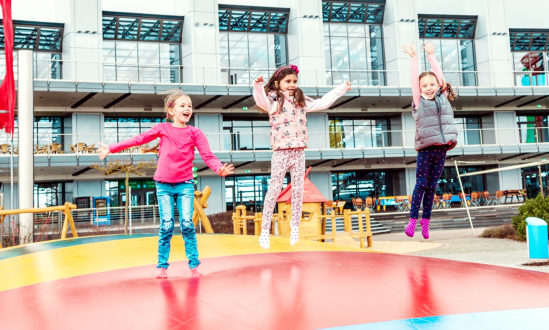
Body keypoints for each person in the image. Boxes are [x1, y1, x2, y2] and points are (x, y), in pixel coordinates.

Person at [97, 90, 234, 278]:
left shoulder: (195, 133)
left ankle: (194, 265)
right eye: (183, 106)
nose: (187, 109)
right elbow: (139, 140)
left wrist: (219, 169)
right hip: (163, 185)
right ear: (171, 111)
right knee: (167, 226)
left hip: (185, 184)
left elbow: (207, 155)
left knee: (187, 224)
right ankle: (162, 266)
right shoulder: (163, 128)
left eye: (190, 106)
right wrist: (111, 148)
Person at [253, 64, 352, 249]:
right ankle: (265, 230)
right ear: (278, 83)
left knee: (298, 190)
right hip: (281, 151)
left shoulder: (301, 100)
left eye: (294, 81)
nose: (292, 84)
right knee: (274, 189)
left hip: (299, 150)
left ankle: (294, 226)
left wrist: (341, 88)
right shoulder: (273, 100)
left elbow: (323, 102)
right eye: (288, 81)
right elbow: (261, 102)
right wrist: (257, 86)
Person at [402, 41, 458, 239]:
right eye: (424, 85)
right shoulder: (419, 101)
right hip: (425, 149)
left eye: (432, 84)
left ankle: (426, 223)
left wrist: (432, 57)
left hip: (441, 149)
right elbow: (413, 79)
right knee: (421, 185)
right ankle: (412, 221)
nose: (428, 88)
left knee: (432, 187)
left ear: (438, 85)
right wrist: (413, 59)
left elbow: (439, 75)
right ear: (419, 88)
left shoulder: (442, 97)